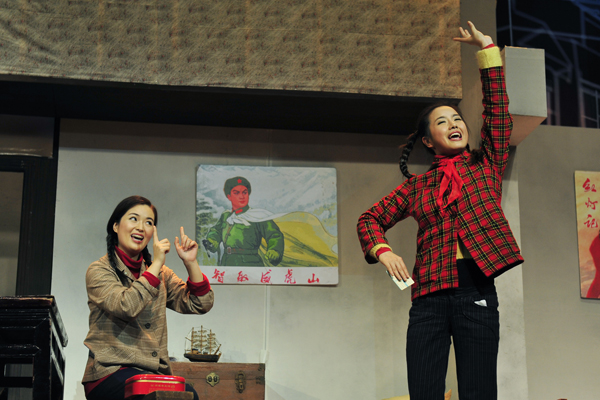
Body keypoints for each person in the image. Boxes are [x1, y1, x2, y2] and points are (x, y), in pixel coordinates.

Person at [357, 22, 524, 400]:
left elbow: (498, 114)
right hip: (428, 299)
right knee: (424, 392)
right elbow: (369, 219)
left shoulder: (486, 164)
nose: (454, 124)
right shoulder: (417, 187)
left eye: (457, 119)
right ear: (428, 141)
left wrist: (487, 51)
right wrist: (383, 251)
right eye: (442, 121)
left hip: (476, 291)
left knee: (479, 392)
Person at [82, 196, 214, 400]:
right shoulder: (99, 270)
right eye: (133, 219)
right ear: (116, 226)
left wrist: (191, 263)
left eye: (148, 222)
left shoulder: (161, 274)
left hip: (152, 373)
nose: (141, 227)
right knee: (145, 395)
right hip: (109, 371)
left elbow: (200, 303)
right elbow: (126, 306)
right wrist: (157, 263)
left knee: (190, 394)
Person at [204, 176, 284, 266]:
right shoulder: (226, 216)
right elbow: (216, 231)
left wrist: (274, 250)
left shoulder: (258, 216)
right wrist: (212, 241)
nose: (242, 196)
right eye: (236, 193)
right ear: (229, 196)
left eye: (245, 193)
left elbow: (274, 234)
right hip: (227, 262)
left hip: (251, 263)